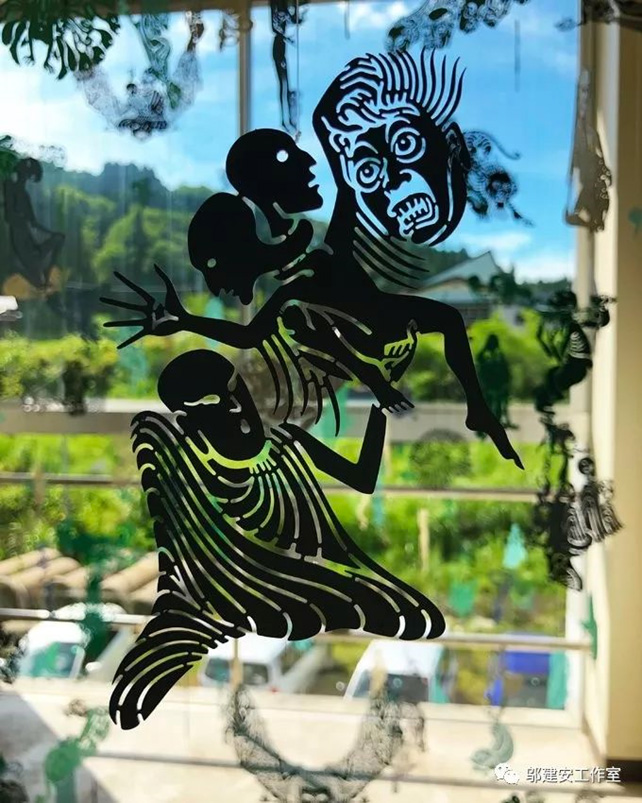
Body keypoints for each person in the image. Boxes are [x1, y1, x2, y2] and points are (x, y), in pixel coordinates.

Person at [103, 50, 523, 467]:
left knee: (447, 319)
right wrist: (186, 321)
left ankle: (476, 408)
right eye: (287, 159)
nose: (308, 163)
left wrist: (332, 123)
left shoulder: (311, 251)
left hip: (374, 320)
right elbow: (253, 336)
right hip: (366, 335)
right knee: (431, 321)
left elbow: (346, 187)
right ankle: (469, 406)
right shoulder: (298, 282)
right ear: (264, 185)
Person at [110, 350, 444, 729]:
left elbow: (362, 478)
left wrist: (378, 407)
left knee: (413, 618)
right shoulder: (192, 464)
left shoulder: (285, 439)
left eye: (238, 391)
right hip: (239, 578)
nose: (237, 406)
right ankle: (204, 616)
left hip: (290, 576)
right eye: (215, 401)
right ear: (190, 422)